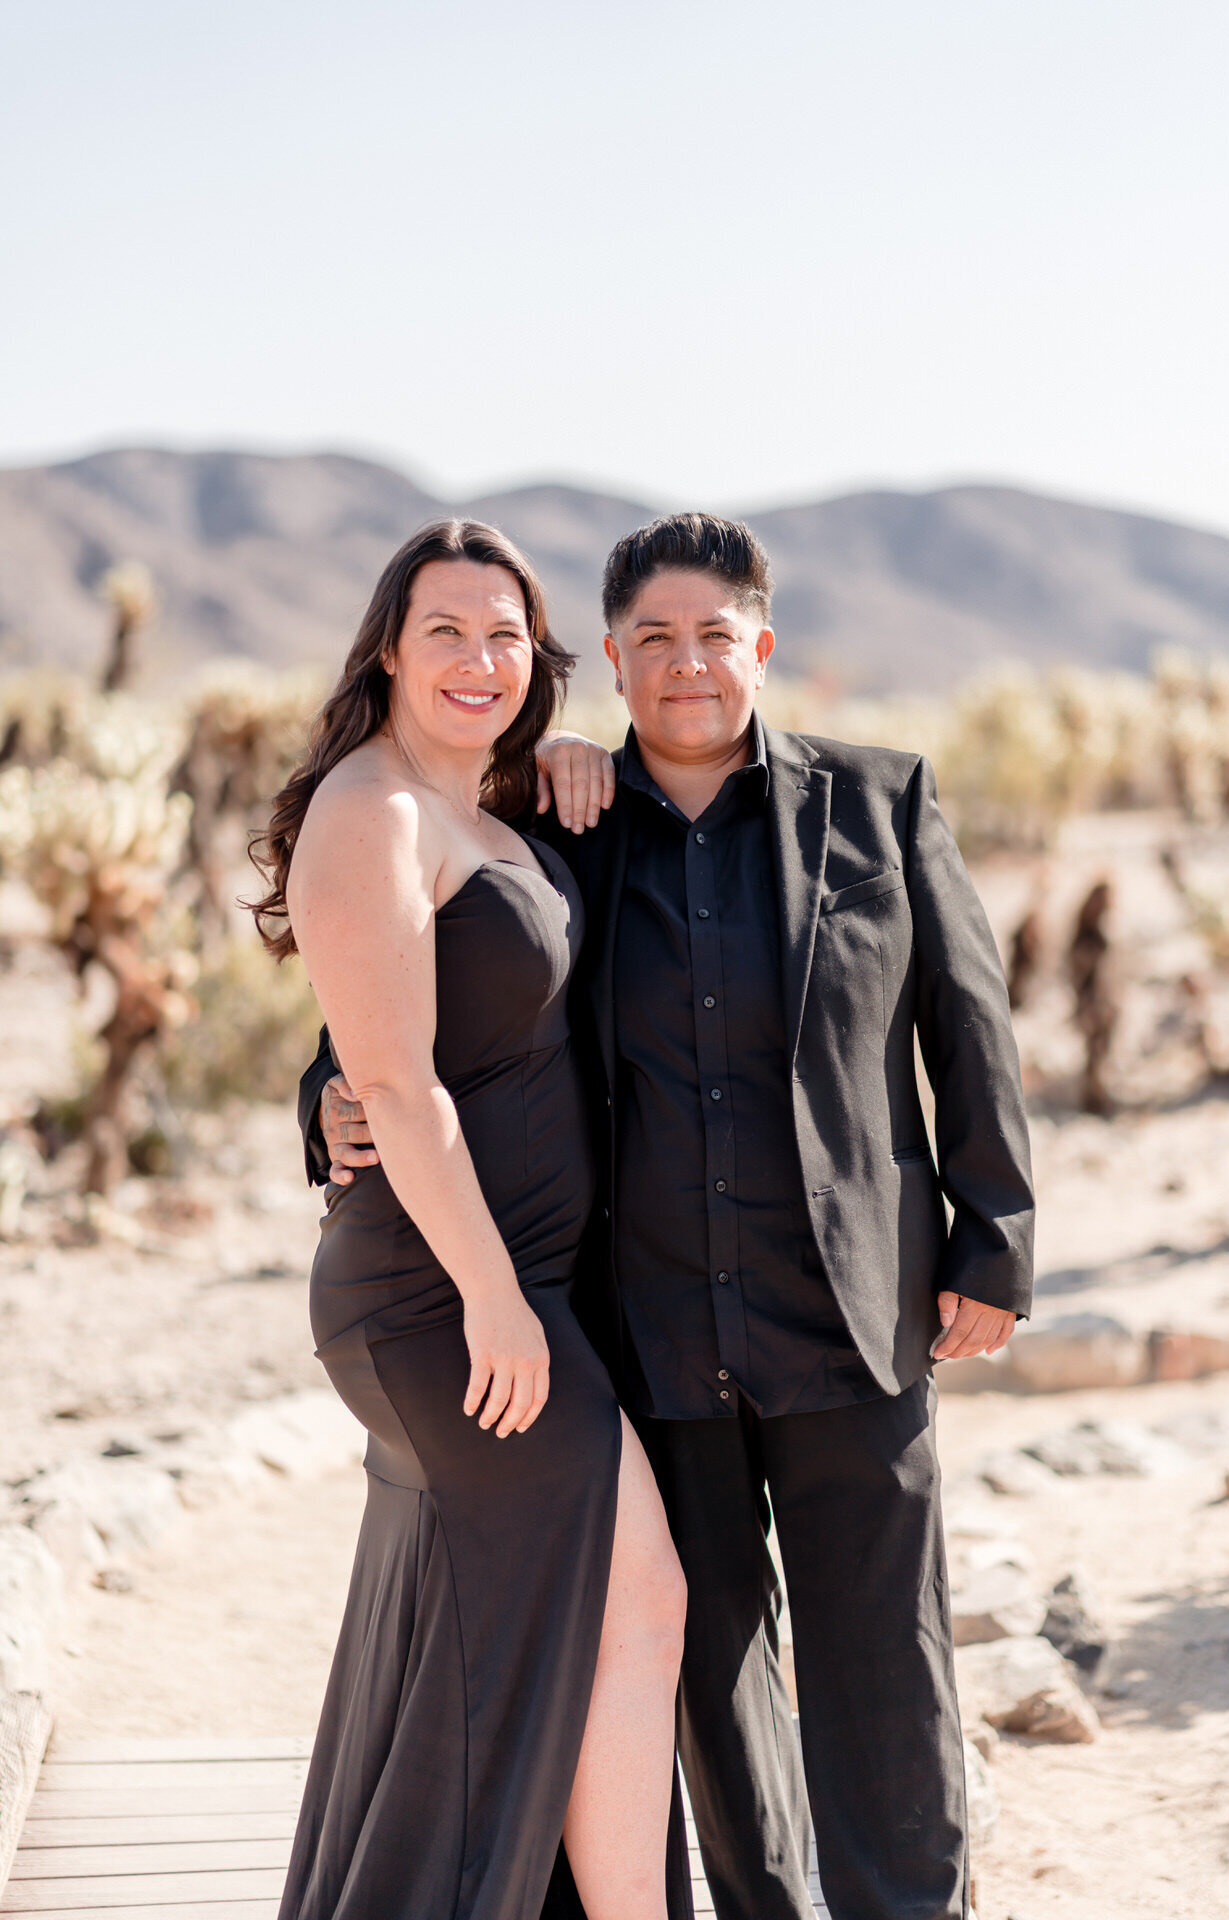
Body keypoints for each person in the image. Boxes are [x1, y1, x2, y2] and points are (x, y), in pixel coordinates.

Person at [305, 513, 1036, 1920]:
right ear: (618, 669)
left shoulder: (880, 803)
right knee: (705, 1672)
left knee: (883, 1657)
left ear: (761, 646)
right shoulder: (560, 822)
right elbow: (425, 998)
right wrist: (325, 1097)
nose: (688, 665)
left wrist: (991, 1238)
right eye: (654, 641)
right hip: (647, 1328)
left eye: (714, 636)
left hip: (849, 1313)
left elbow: (970, 1027)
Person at [256, 518, 690, 1920]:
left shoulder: (483, 811)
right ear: (387, 646)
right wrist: (499, 1298)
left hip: (511, 1294)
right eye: (445, 629)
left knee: (576, 1619)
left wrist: (577, 763)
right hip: (446, 1299)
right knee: (624, 1604)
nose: (478, 658)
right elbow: (390, 1075)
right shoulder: (368, 810)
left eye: (505, 635)